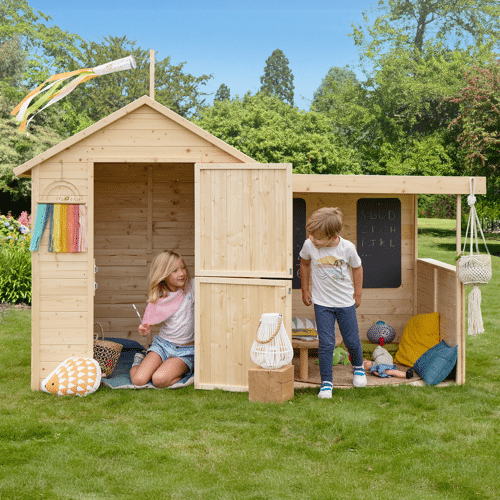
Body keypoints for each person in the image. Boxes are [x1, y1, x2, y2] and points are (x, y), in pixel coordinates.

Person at [299, 207, 367, 398]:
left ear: (332, 235)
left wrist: (358, 294)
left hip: (345, 303)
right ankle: (327, 383)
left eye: (317, 238)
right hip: (322, 304)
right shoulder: (309, 245)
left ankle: (359, 368)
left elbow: (357, 268)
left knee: (352, 340)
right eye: (311, 235)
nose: (313, 240)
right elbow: (304, 263)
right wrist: (305, 289)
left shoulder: (347, 248)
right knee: (326, 343)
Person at [130, 250, 194, 388]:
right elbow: (148, 325)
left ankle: (176, 369)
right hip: (162, 345)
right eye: (175, 271)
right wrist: (144, 329)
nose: (182, 273)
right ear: (164, 274)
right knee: (138, 380)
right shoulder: (160, 297)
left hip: (185, 350)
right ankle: (138, 361)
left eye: (183, 268)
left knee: (159, 380)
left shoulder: (190, 288)